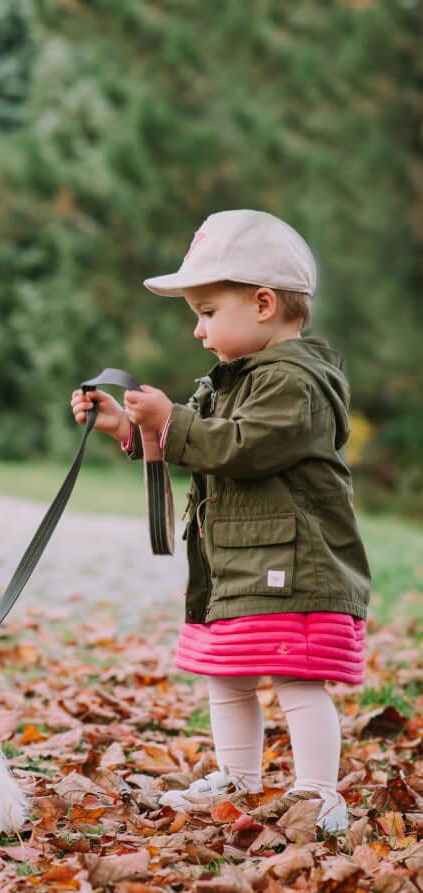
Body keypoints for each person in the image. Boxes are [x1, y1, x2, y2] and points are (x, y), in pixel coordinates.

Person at [70, 210, 371, 833]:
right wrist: (132, 427)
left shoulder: (296, 382)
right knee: (227, 672)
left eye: (207, 312)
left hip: (295, 563)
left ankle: (319, 795)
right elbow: (207, 443)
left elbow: (241, 447)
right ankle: (239, 779)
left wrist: (171, 420)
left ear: (263, 303)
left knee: (297, 678)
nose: (199, 332)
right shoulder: (238, 378)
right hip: (240, 560)